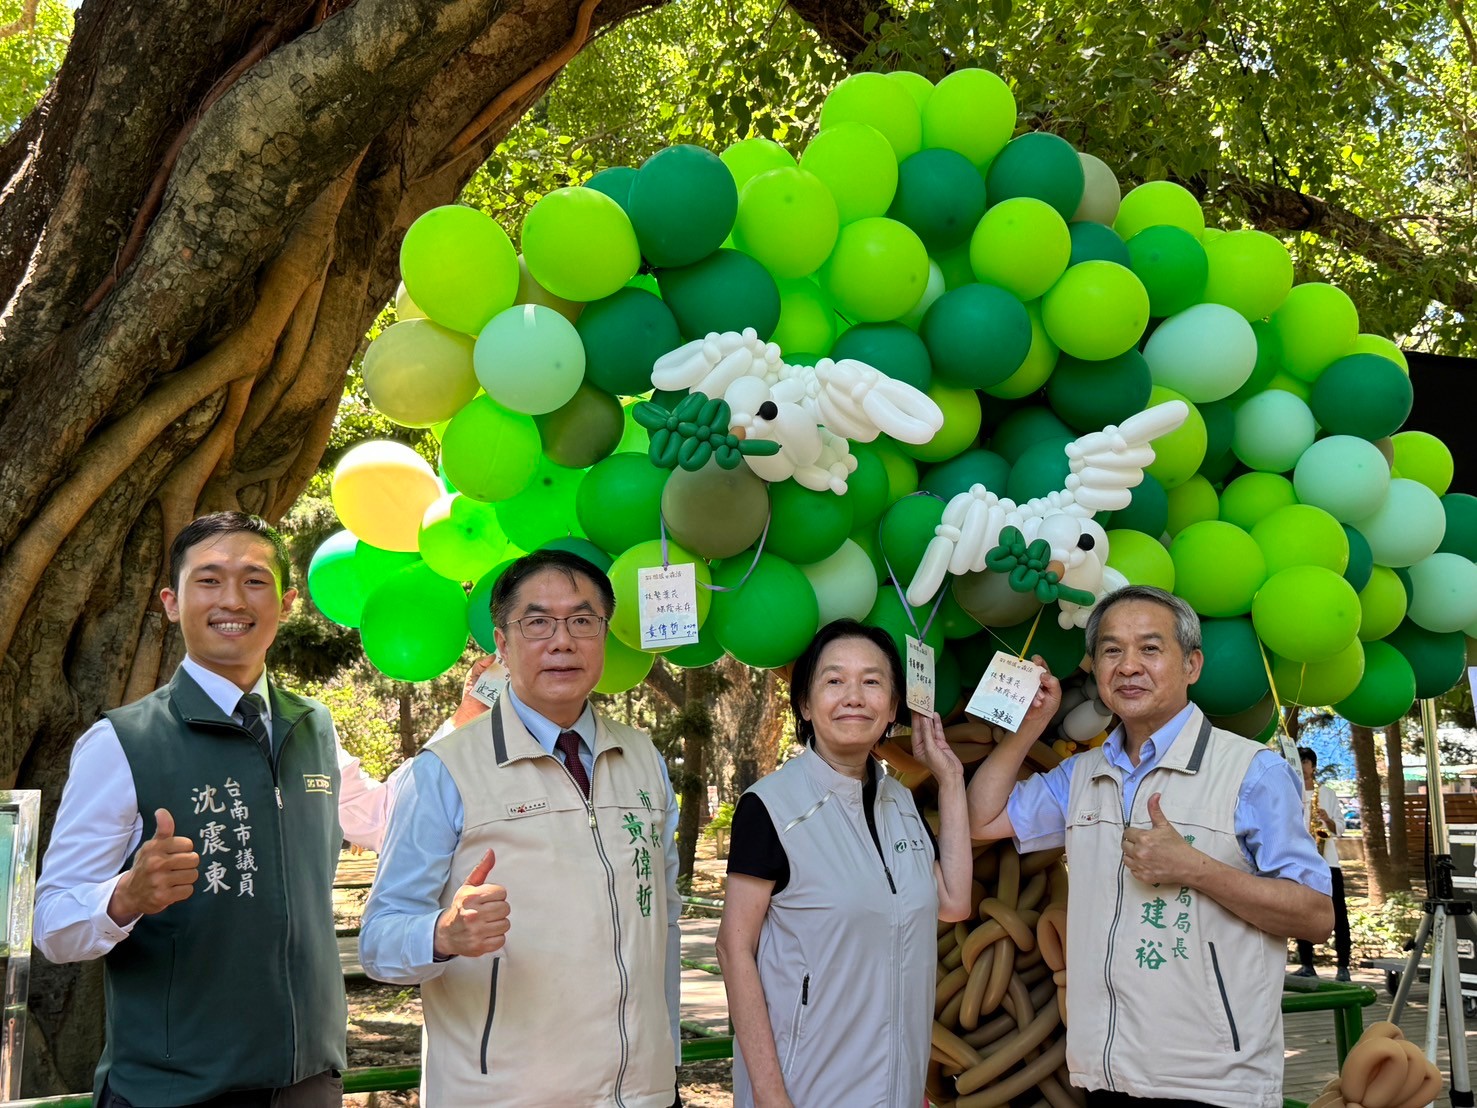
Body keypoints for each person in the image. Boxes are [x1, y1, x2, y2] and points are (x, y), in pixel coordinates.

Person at [33, 511, 395, 1107]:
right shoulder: (123, 742)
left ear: (286, 601)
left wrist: (467, 726)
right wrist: (125, 896)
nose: (233, 598)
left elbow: (383, 816)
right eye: (209, 580)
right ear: (173, 603)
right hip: (176, 1090)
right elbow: (53, 926)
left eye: (254, 580)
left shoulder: (314, 728)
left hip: (309, 1082)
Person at [966, 585, 1333, 1108]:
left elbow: (1316, 916)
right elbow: (983, 819)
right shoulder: (1083, 775)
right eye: (1112, 650)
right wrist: (1029, 728)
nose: (1129, 666)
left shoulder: (1252, 772)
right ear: (1095, 668)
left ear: (1192, 665)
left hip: (1213, 1084)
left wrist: (1196, 869)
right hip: (1105, 1074)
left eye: (1151, 648)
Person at [359, 549, 682, 1107]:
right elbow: (379, 941)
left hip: (643, 1093)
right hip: (506, 1096)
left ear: (604, 635)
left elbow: (665, 922)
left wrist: (667, 1065)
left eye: (582, 621)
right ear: (502, 644)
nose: (562, 641)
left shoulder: (642, 757)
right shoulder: (445, 770)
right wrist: (442, 934)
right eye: (537, 623)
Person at [715, 619, 982, 1108]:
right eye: (834, 681)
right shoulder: (772, 806)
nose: (854, 696)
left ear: (893, 706)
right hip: (807, 1089)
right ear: (805, 704)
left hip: (896, 1088)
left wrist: (949, 779)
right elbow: (734, 951)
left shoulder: (900, 803)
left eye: (873, 681)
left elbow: (954, 902)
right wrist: (772, 1098)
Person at [1294, 746, 1351, 981]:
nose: (1303, 766)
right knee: (1301, 912)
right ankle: (1307, 963)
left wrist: (1327, 820)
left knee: (1339, 913)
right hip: (1301, 861)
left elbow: (1341, 829)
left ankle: (1343, 966)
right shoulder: (1291, 791)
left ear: (1313, 766)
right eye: (1299, 761)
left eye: (1306, 761)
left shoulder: (1326, 792)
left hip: (1327, 862)